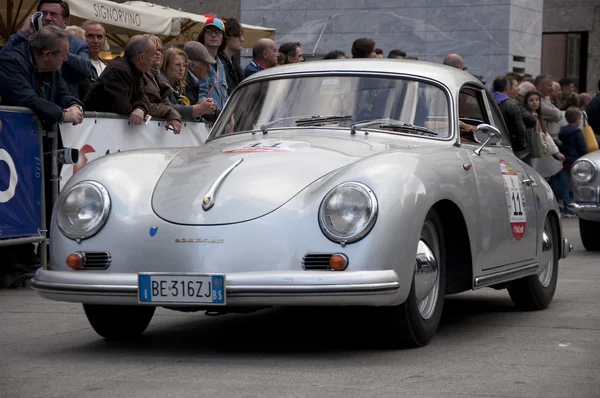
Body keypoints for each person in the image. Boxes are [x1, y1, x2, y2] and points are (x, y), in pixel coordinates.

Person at [1, 0, 91, 99]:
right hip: (32, 103)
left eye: (53, 14)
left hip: (63, 107)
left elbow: (85, 70)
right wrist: (22, 32)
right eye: (43, 13)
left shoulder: (77, 44)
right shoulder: (28, 39)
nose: (47, 18)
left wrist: (58, 52)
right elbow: (3, 60)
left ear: (66, 22)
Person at [0, 25, 83, 127]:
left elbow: (63, 93)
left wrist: (74, 105)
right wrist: (62, 115)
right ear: (47, 55)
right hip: (13, 133)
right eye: (63, 55)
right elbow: (27, 98)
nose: (66, 59)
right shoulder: (12, 63)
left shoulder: (52, 68)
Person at [84, 35, 155, 125]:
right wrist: (139, 107)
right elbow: (122, 107)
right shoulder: (118, 71)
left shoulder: (135, 71)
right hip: (93, 127)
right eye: (152, 56)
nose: (153, 61)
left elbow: (143, 98)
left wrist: (141, 108)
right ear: (142, 58)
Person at [162, 46, 216, 120]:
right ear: (166, 65)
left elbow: (184, 109)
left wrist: (202, 109)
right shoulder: (161, 83)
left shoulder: (180, 86)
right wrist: (197, 108)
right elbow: (166, 108)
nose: (182, 69)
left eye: (184, 65)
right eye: (177, 65)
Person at [141, 35, 182, 134]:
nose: (158, 53)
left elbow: (166, 103)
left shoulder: (157, 76)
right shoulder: (140, 74)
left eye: (160, 50)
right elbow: (145, 105)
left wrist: (173, 114)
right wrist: (169, 112)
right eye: (154, 49)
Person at [557, 107, 587, 217]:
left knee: (565, 184)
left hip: (565, 160)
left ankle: (566, 207)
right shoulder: (577, 132)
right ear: (578, 119)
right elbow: (581, 146)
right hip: (575, 160)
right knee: (577, 184)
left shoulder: (562, 131)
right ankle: (576, 206)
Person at [492, 76, 530, 164]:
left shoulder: (487, 100)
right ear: (507, 88)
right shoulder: (512, 105)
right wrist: (522, 144)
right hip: (509, 145)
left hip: (491, 142)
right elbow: (519, 128)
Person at [197, 17, 229, 114]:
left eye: (218, 32)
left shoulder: (221, 65)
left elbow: (225, 96)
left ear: (223, 37)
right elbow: (200, 93)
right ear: (203, 36)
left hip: (220, 121)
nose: (213, 35)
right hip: (205, 119)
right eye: (209, 31)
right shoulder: (199, 61)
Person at [218, 17, 245, 95]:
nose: (242, 39)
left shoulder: (233, 62)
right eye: (237, 36)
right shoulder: (219, 63)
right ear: (227, 37)